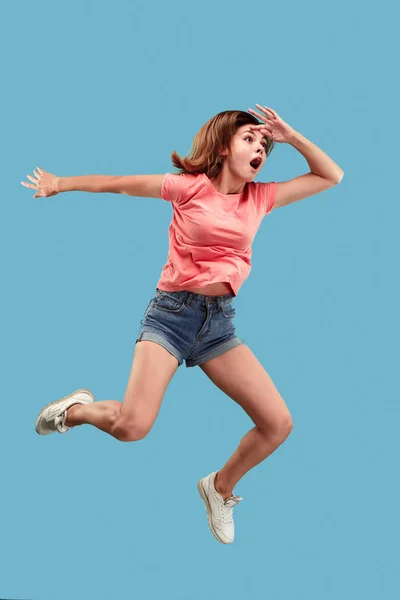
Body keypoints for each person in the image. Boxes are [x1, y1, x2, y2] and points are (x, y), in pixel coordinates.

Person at [21, 103, 344, 544]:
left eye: (265, 145)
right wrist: (60, 183)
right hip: (172, 316)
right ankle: (74, 411)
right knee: (131, 428)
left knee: (277, 423)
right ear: (223, 145)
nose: (260, 148)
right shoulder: (188, 188)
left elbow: (331, 176)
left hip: (218, 327)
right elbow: (119, 185)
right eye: (249, 139)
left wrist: (293, 136)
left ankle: (219, 488)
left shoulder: (261, 197)